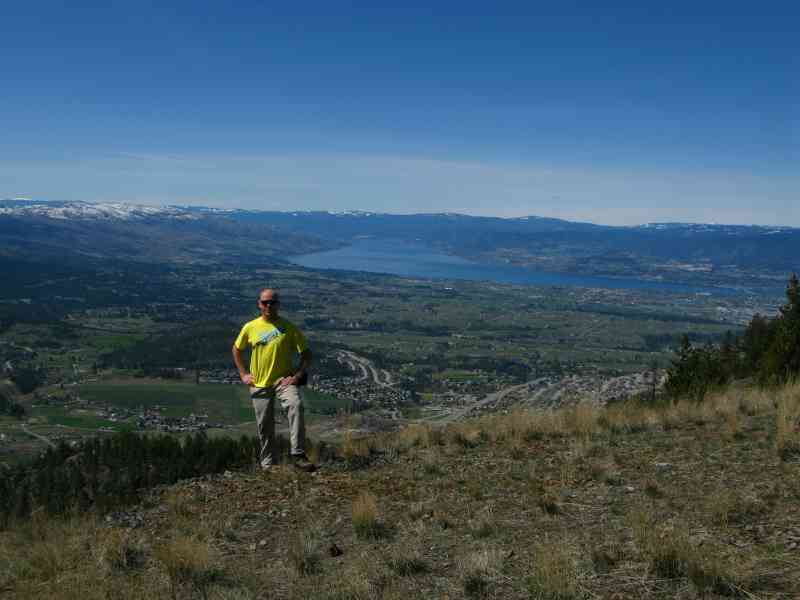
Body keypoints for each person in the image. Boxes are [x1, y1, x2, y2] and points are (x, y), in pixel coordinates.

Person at [232, 288, 315, 472]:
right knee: (265, 425)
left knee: (295, 405)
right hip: (259, 383)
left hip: (283, 381)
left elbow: (307, 354)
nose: (268, 305)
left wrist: (298, 375)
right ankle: (268, 464)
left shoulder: (289, 327)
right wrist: (243, 374)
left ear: (278, 304)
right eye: (265, 302)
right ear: (259, 304)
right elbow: (237, 349)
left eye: (272, 302)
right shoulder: (250, 327)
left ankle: (298, 454)